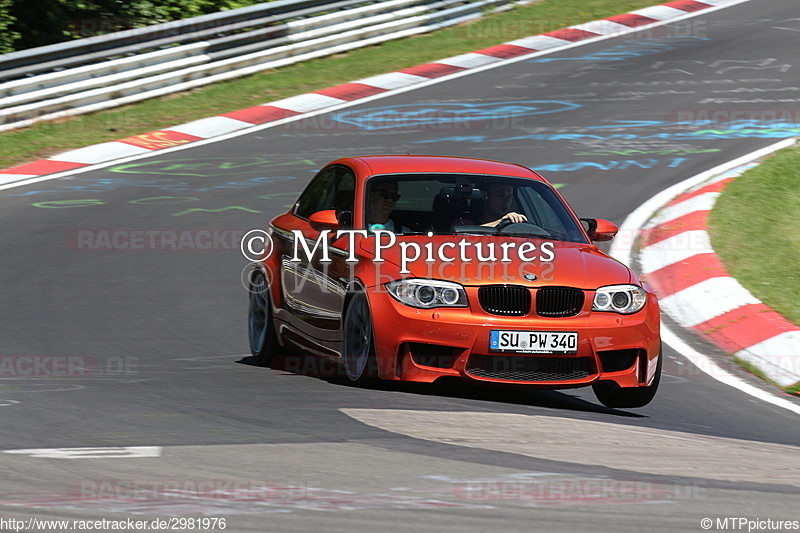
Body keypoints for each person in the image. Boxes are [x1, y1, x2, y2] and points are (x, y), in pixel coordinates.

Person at [453, 183, 528, 227]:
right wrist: (500, 222)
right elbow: (463, 234)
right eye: (500, 196)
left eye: (509, 196)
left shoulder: (513, 222)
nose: (506, 201)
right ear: (485, 196)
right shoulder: (466, 221)